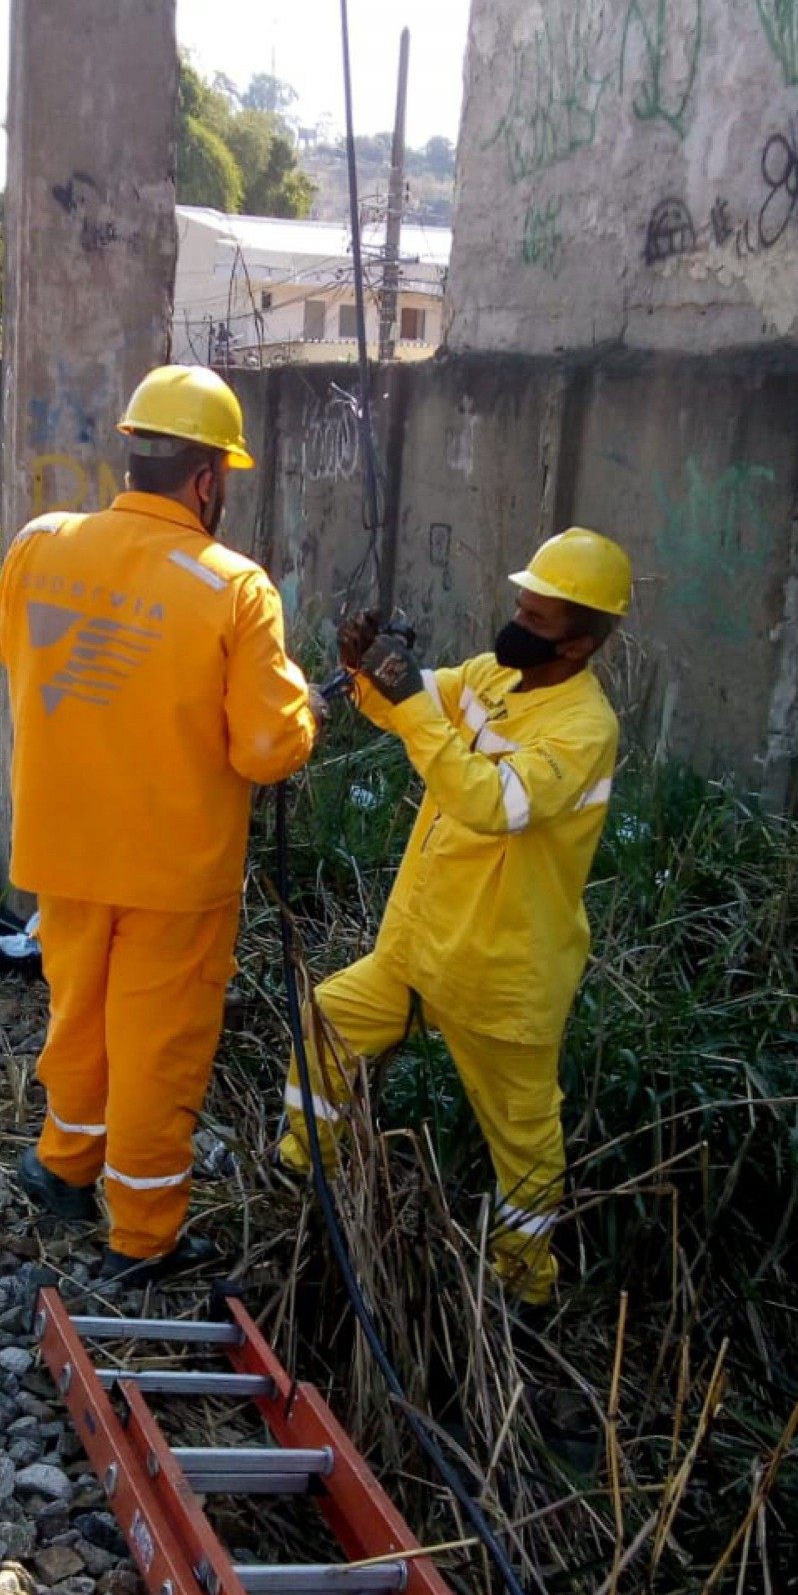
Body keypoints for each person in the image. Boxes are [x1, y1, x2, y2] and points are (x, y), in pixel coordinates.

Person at [0, 364, 320, 1290]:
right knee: (156, 1048)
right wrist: (305, 716)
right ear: (210, 479)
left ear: (133, 453)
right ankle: (142, 1235)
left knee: (78, 1014)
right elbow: (264, 748)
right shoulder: (235, 589)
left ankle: (63, 1166)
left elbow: (16, 647)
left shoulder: (42, 543)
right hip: (173, 872)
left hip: (61, 847)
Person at [280, 528, 632, 1310]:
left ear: (578, 644)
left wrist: (409, 707)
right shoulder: (493, 678)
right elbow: (407, 705)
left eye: (536, 620)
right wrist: (363, 667)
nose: (516, 624)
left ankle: (524, 1290)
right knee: (330, 1017)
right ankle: (307, 1170)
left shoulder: (583, 730)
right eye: (520, 606)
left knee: (526, 1150)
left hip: (502, 976)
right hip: (420, 949)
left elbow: (488, 803)